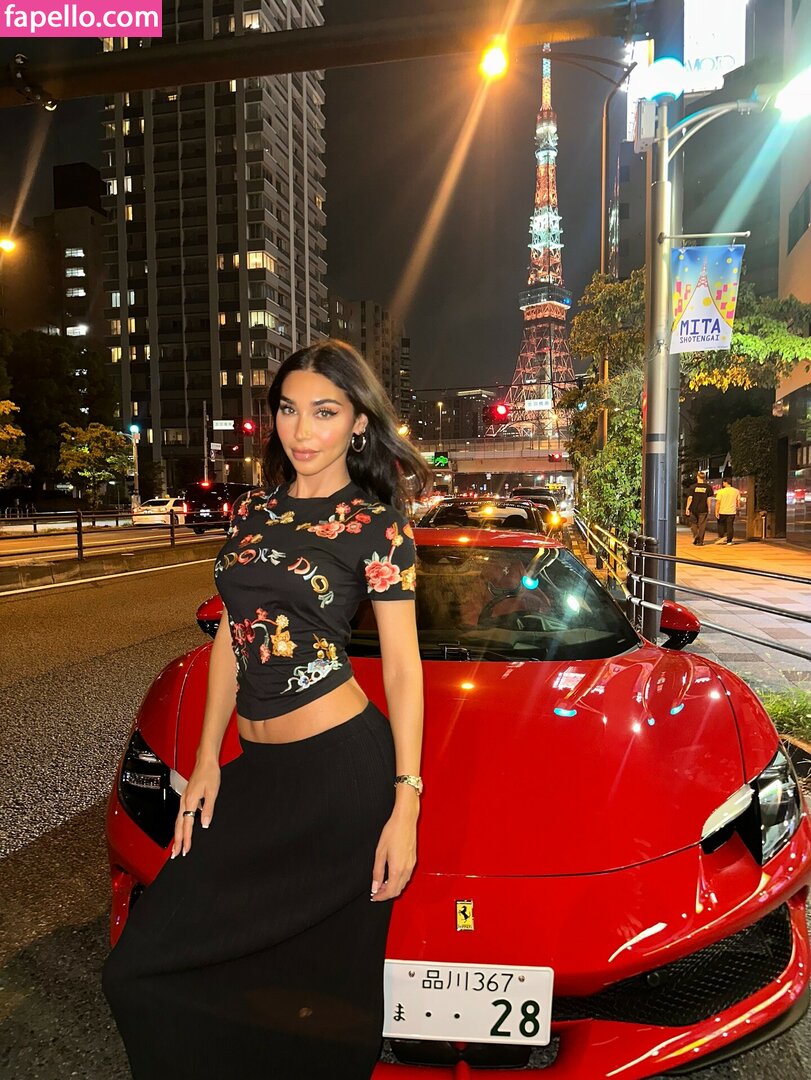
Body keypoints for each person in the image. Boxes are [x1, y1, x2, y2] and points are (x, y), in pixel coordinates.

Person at [103, 340, 431, 1080]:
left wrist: (406, 801)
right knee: (139, 969)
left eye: (325, 412)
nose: (301, 430)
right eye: (288, 409)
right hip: (260, 770)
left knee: (318, 989)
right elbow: (231, 636)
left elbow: (403, 670)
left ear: (358, 423)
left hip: (340, 774)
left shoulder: (377, 526)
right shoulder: (254, 511)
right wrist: (206, 760)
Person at [684, 470, 712, 545]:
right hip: (703, 508)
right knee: (702, 524)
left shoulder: (693, 487)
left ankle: (696, 535)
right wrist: (709, 508)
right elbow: (709, 499)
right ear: (704, 478)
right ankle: (700, 541)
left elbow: (690, 498)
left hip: (693, 508)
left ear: (697, 477)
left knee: (693, 523)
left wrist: (687, 508)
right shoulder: (708, 487)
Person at [714, 476, 740, 544]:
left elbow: (718, 502)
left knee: (721, 525)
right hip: (732, 511)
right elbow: (738, 502)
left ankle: (722, 537)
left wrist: (716, 511)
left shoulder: (721, 491)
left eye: (723, 482)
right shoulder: (736, 491)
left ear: (726, 482)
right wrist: (737, 509)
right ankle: (729, 541)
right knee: (730, 526)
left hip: (722, 511)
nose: (723, 483)